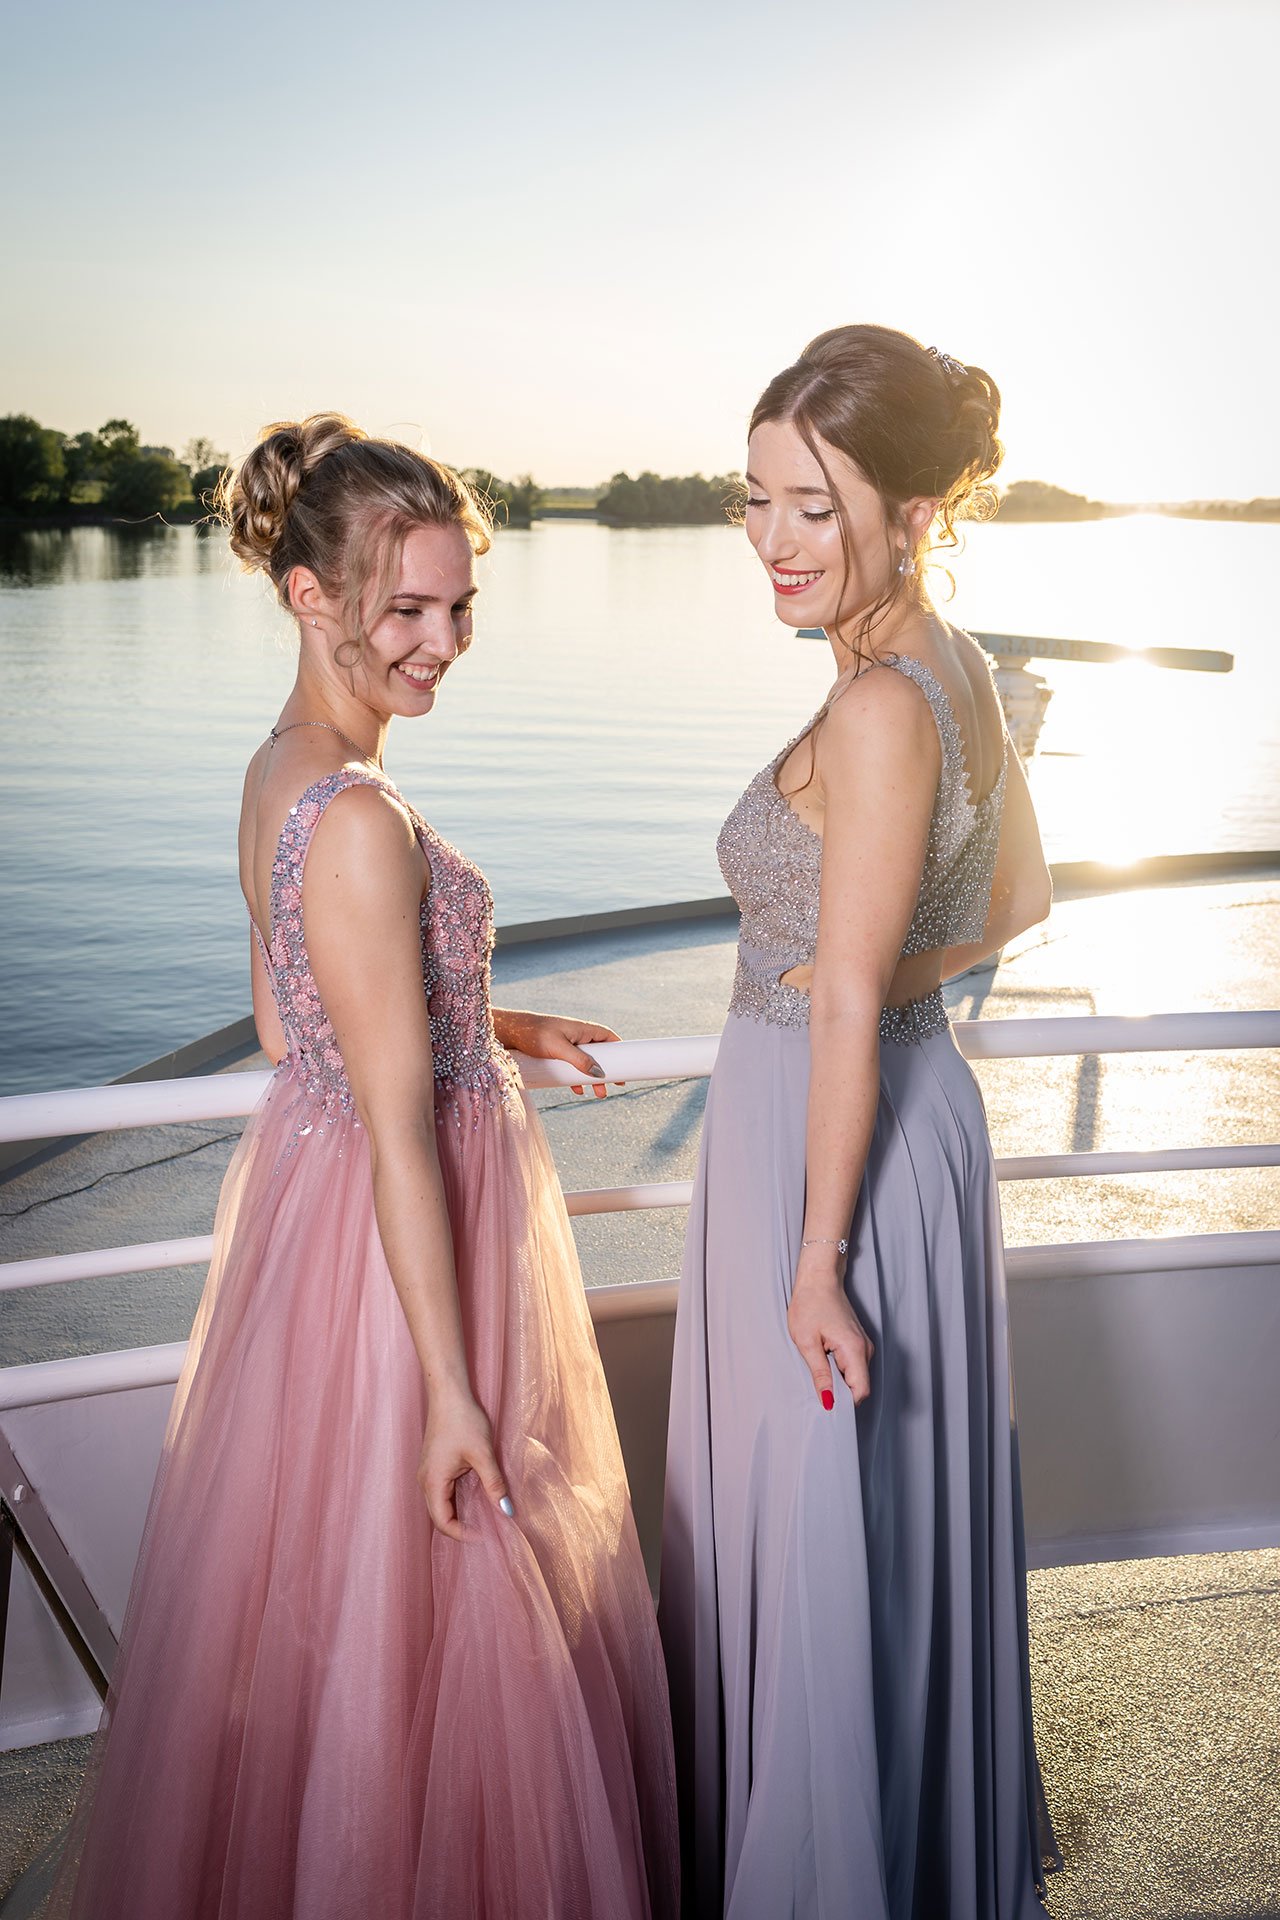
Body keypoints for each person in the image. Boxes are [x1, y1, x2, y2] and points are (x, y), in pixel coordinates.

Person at [48, 415, 678, 1920]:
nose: (442, 642)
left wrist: (478, 1016)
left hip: (317, 1220)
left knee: (337, 1619)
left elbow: (289, 1018)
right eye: (406, 608)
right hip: (408, 1246)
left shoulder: (280, 773)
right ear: (309, 595)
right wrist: (452, 1390)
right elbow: (394, 1119)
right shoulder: (365, 818)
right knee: (448, 1607)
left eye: (461, 608)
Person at [659, 327, 1061, 1918]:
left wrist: (818, 1254)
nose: (771, 541)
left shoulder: (886, 704)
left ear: (907, 510)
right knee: (872, 1533)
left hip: (835, 1152)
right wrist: (878, 978)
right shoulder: (947, 659)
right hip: (901, 1116)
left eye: (813, 507)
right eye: (754, 499)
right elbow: (1018, 902)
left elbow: (839, 998)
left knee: (829, 1531)